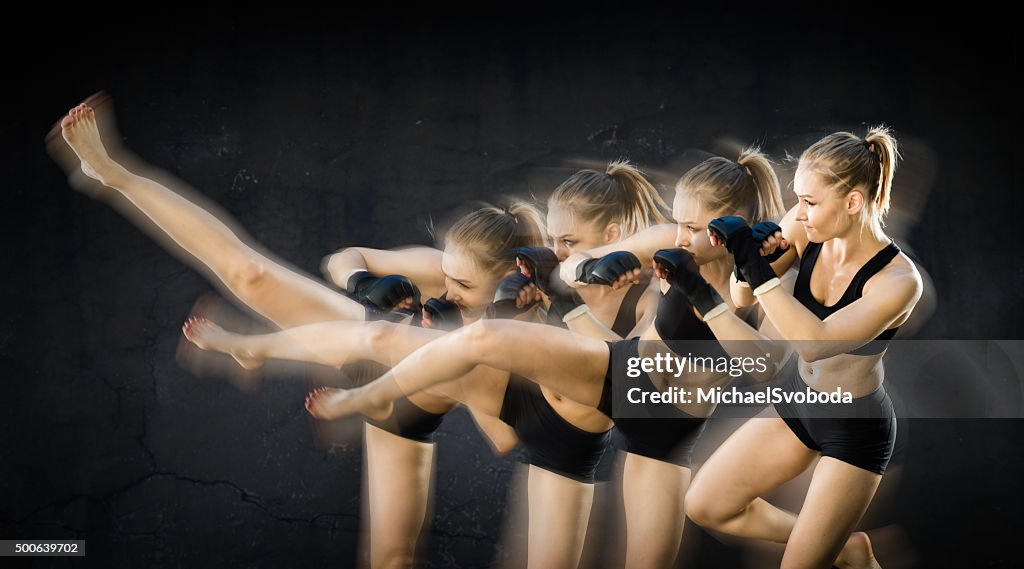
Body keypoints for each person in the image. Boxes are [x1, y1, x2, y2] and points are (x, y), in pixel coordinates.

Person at [685, 126, 923, 569]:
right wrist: (748, 258)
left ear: (852, 202)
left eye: (810, 202)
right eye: (798, 198)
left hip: (853, 426)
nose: (799, 212)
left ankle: (830, 548)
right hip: (798, 399)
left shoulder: (898, 282)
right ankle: (847, 548)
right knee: (705, 504)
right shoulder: (803, 225)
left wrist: (762, 272)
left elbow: (817, 345)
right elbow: (741, 298)